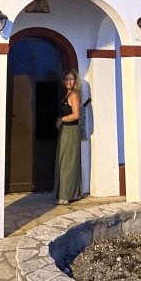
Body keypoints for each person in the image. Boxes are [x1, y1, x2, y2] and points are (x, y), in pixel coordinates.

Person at [54, 69, 83, 204]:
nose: (68, 81)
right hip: (65, 130)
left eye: (71, 79)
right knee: (63, 161)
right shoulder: (67, 94)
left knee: (68, 162)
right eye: (66, 79)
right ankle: (64, 193)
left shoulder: (74, 94)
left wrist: (62, 119)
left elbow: (76, 115)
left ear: (75, 80)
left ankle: (67, 195)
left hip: (71, 131)